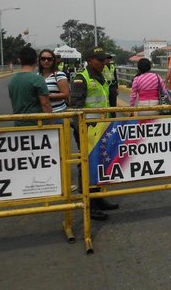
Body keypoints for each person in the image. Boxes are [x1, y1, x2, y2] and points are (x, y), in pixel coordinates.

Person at [70, 46, 119, 220]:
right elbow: (76, 108)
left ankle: (98, 198)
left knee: (99, 163)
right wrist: (82, 130)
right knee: (86, 164)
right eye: (100, 60)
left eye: (104, 59)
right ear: (90, 60)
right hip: (87, 129)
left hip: (102, 128)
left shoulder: (101, 76)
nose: (103, 62)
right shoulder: (81, 79)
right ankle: (88, 205)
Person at [8, 46, 52, 126]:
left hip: (18, 124)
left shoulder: (12, 80)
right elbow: (45, 104)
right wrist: (51, 124)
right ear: (36, 61)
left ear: (19, 60)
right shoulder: (38, 79)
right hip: (36, 124)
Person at [38, 49, 70, 122]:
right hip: (42, 115)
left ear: (53, 61)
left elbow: (66, 94)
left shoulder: (59, 75)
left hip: (58, 114)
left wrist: (46, 96)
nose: (46, 61)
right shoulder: (37, 76)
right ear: (39, 60)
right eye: (43, 59)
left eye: (49, 59)